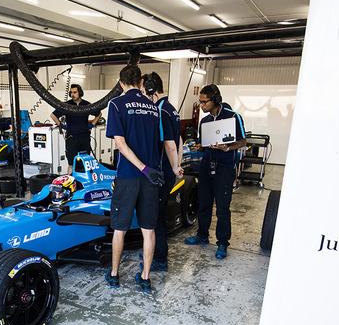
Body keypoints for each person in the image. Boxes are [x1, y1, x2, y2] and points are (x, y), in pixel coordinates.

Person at [104, 65, 169, 292]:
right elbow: (160, 144)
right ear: (141, 82)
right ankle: (145, 277)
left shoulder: (116, 104)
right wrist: (151, 169)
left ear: (121, 83)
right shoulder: (154, 108)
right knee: (148, 229)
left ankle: (114, 275)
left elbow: (121, 145)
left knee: (120, 229)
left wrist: (142, 168)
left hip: (129, 176)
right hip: (151, 177)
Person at [184, 84, 246, 259]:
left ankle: (222, 243)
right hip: (206, 166)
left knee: (222, 207)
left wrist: (227, 148)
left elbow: (243, 141)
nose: (201, 106)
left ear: (215, 100)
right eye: (200, 102)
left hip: (225, 167)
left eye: (204, 102)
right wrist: (198, 146)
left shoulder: (233, 117)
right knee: (203, 203)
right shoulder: (204, 122)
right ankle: (202, 235)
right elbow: (204, 146)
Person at [140, 72, 183, 272]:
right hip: (168, 172)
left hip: (162, 173)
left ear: (150, 89)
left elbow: (170, 144)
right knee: (158, 214)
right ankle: (154, 251)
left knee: (155, 218)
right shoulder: (172, 109)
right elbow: (180, 140)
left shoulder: (160, 110)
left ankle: (160, 259)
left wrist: (174, 167)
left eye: (143, 91)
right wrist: (178, 165)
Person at [50, 84, 102, 174]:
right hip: (72, 138)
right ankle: (71, 182)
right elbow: (53, 115)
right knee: (71, 163)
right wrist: (61, 125)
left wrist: (92, 124)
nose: (72, 94)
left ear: (80, 93)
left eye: (75, 92)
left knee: (85, 162)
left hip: (84, 137)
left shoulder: (86, 105)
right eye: (71, 93)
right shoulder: (67, 105)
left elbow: (99, 114)